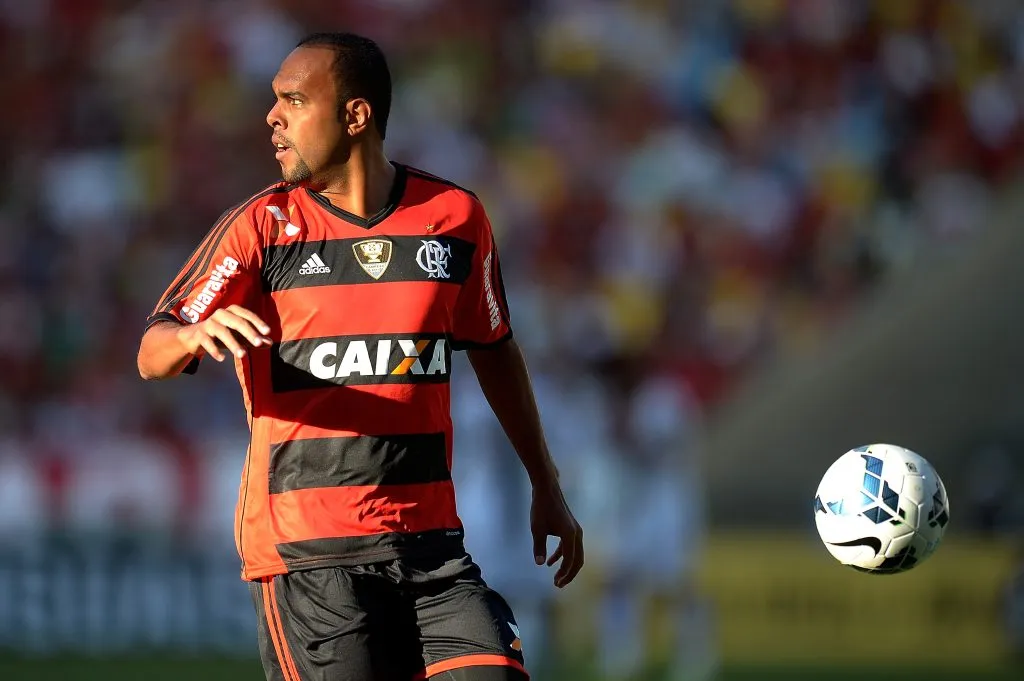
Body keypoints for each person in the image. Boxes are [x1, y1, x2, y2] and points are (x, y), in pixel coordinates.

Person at [137, 32, 583, 681]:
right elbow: (153, 349)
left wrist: (545, 481)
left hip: (434, 553)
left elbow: (492, 347)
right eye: (273, 100)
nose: (272, 116)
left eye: (293, 99)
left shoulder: (455, 218)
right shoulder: (262, 227)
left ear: (355, 115)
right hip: (311, 561)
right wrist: (187, 338)